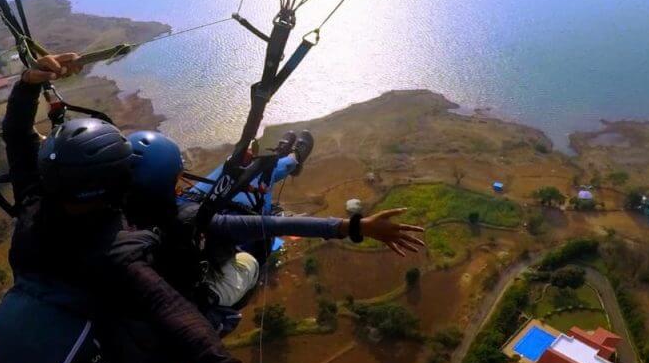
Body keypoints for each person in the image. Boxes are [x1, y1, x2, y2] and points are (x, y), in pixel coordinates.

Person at [0, 53, 291, 363]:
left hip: (68, 320)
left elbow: (18, 141)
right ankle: (236, 287)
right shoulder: (118, 253)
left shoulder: (34, 209)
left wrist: (27, 86)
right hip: (150, 356)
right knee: (246, 262)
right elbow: (172, 308)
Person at [123, 129, 426, 311]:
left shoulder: (123, 215)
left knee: (228, 174)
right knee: (258, 209)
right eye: (179, 175)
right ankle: (291, 160)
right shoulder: (194, 222)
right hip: (213, 281)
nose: (183, 179)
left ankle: (280, 159)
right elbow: (277, 226)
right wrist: (357, 226)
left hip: (182, 244)